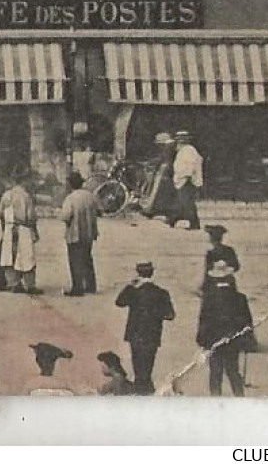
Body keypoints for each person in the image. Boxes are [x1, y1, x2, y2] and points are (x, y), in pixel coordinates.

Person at [116, 261, 176, 394]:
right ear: (152, 273)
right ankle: (146, 392)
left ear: (138, 273)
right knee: (147, 368)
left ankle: (141, 392)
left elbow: (119, 302)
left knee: (137, 368)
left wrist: (130, 286)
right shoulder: (161, 293)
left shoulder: (133, 291)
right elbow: (170, 315)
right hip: (152, 335)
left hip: (135, 334)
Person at [197, 261, 255, 396]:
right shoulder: (240, 298)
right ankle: (239, 399)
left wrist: (202, 341)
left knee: (215, 375)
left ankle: (216, 402)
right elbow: (247, 322)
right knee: (233, 372)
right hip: (233, 341)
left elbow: (203, 320)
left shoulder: (209, 298)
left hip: (214, 341)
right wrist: (248, 341)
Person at [0, 174, 41, 294]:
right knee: (27, 257)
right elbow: (31, 216)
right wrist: (35, 230)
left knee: (9, 256)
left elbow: (1, 214)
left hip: (9, 227)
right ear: (24, 181)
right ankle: (29, 284)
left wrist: (4, 228)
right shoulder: (26, 196)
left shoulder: (6, 196)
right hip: (24, 228)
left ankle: (13, 283)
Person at [59, 170, 100, 296]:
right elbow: (98, 211)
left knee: (75, 260)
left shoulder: (70, 198)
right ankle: (90, 285)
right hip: (88, 232)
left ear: (71, 184)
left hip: (75, 233)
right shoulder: (90, 196)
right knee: (87, 258)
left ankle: (77, 287)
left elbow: (65, 216)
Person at [168, 130, 204, 230]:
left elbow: (189, 166)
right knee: (183, 202)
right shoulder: (184, 150)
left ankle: (193, 223)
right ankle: (174, 219)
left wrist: (186, 177)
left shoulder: (188, 150)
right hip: (183, 179)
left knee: (187, 203)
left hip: (187, 180)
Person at [142, 132, 177, 219]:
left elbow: (164, 159)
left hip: (166, 171)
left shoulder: (168, 148)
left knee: (159, 191)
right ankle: (156, 210)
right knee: (160, 192)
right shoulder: (171, 147)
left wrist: (151, 162)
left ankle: (154, 210)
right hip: (167, 171)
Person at [201, 225, 241, 294]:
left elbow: (208, 271)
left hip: (218, 283)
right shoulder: (229, 250)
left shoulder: (211, 253)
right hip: (224, 282)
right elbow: (236, 266)